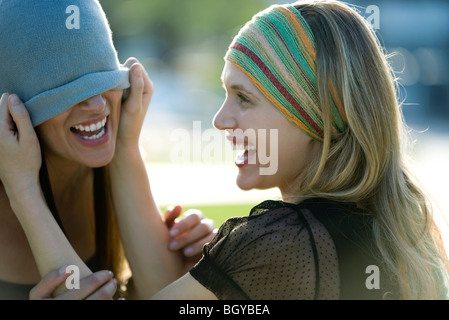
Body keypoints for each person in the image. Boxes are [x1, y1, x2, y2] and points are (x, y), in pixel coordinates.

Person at [2, 0, 449, 300]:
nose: (220, 119)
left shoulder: (282, 242)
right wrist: (122, 148)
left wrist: (22, 185)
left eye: (245, 98)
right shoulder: (403, 226)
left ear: (318, 114)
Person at [0, 0, 216, 300]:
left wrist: (125, 149)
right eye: (70, 92)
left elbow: (163, 295)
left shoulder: (108, 175)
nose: (98, 105)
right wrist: (22, 190)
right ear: (13, 114)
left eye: (104, 82)